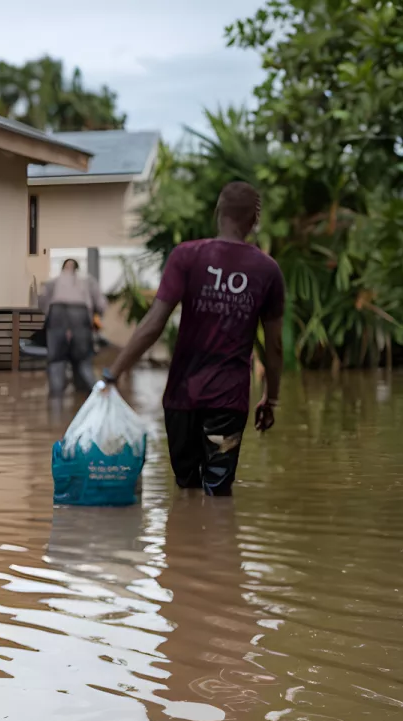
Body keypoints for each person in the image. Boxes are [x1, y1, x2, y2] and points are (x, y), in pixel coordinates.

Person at [103, 181, 284, 496]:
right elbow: (275, 347)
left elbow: (153, 323)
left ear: (218, 212)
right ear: (254, 221)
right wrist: (271, 398)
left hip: (181, 399)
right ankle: (211, 541)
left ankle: (186, 544)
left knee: (186, 489)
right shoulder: (267, 270)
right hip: (228, 403)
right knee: (218, 491)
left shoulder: (186, 256)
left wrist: (113, 373)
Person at [40, 257, 107, 397]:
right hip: (80, 314)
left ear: (63, 268)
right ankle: (92, 396)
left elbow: (43, 302)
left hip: (57, 315)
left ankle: (55, 398)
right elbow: (101, 304)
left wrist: (48, 318)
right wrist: (97, 317)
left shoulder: (53, 281)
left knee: (57, 360)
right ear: (77, 268)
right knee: (83, 360)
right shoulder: (88, 280)